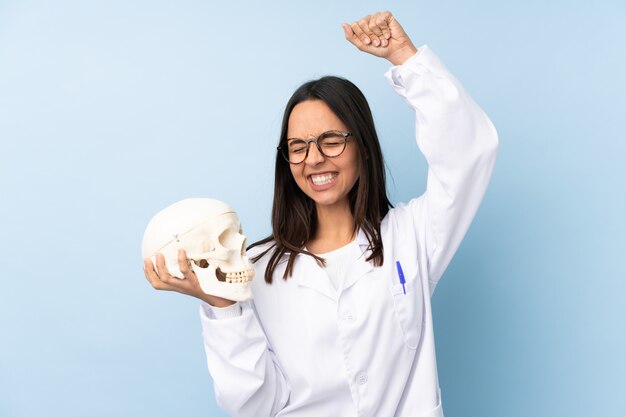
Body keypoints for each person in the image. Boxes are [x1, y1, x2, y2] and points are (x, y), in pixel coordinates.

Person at [144, 10, 498, 417]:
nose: (314, 159)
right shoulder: (256, 267)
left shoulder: (412, 236)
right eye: (298, 146)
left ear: (362, 146)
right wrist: (223, 308)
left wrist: (406, 59)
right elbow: (255, 406)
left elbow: (471, 152)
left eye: (330, 140)